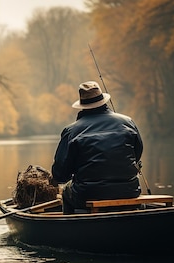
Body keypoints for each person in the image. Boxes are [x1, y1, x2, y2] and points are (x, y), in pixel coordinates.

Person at [51, 81, 143, 214]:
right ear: (103, 101)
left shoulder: (71, 131)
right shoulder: (128, 122)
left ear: (82, 105)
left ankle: (72, 228)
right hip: (130, 190)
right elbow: (137, 154)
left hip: (87, 193)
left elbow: (60, 174)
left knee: (66, 191)